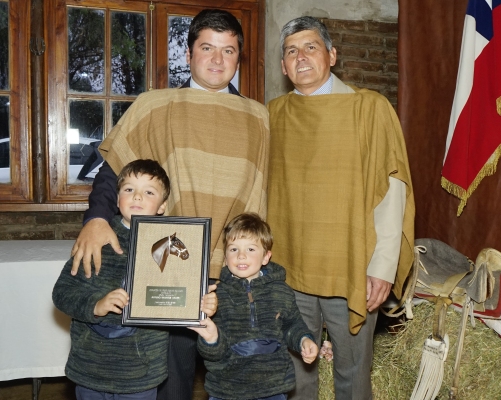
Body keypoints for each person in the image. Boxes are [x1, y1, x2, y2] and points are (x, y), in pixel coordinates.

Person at [69, 9, 270, 400]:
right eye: (207, 48)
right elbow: (114, 173)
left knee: (238, 373)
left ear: (238, 58)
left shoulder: (258, 116)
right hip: (168, 270)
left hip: (234, 266)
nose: (217, 59)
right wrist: (96, 219)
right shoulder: (155, 105)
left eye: (228, 51)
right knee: (172, 379)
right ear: (188, 54)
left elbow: (265, 193)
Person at [267, 17, 416, 400]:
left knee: (353, 374)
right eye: (291, 51)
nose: (301, 57)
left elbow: (392, 191)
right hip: (289, 270)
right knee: (297, 376)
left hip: (352, 268)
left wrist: (382, 267)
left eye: (311, 47)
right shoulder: (272, 116)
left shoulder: (369, 109)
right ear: (283, 66)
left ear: (332, 55)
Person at [53, 159, 216, 399]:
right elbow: (62, 292)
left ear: (162, 206)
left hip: (142, 375)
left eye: (148, 192)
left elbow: (180, 300)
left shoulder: (173, 243)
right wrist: (95, 305)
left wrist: (201, 304)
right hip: (91, 368)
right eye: (129, 189)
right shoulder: (97, 240)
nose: (137, 197)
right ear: (117, 197)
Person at [190, 213, 319, 400]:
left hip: (272, 387)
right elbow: (212, 353)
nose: (241, 256)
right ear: (225, 258)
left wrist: (303, 340)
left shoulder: (280, 291)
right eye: (233, 249)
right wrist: (211, 339)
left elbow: (292, 325)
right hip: (226, 388)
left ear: (266, 257)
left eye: (251, 249)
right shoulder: (214, 296)